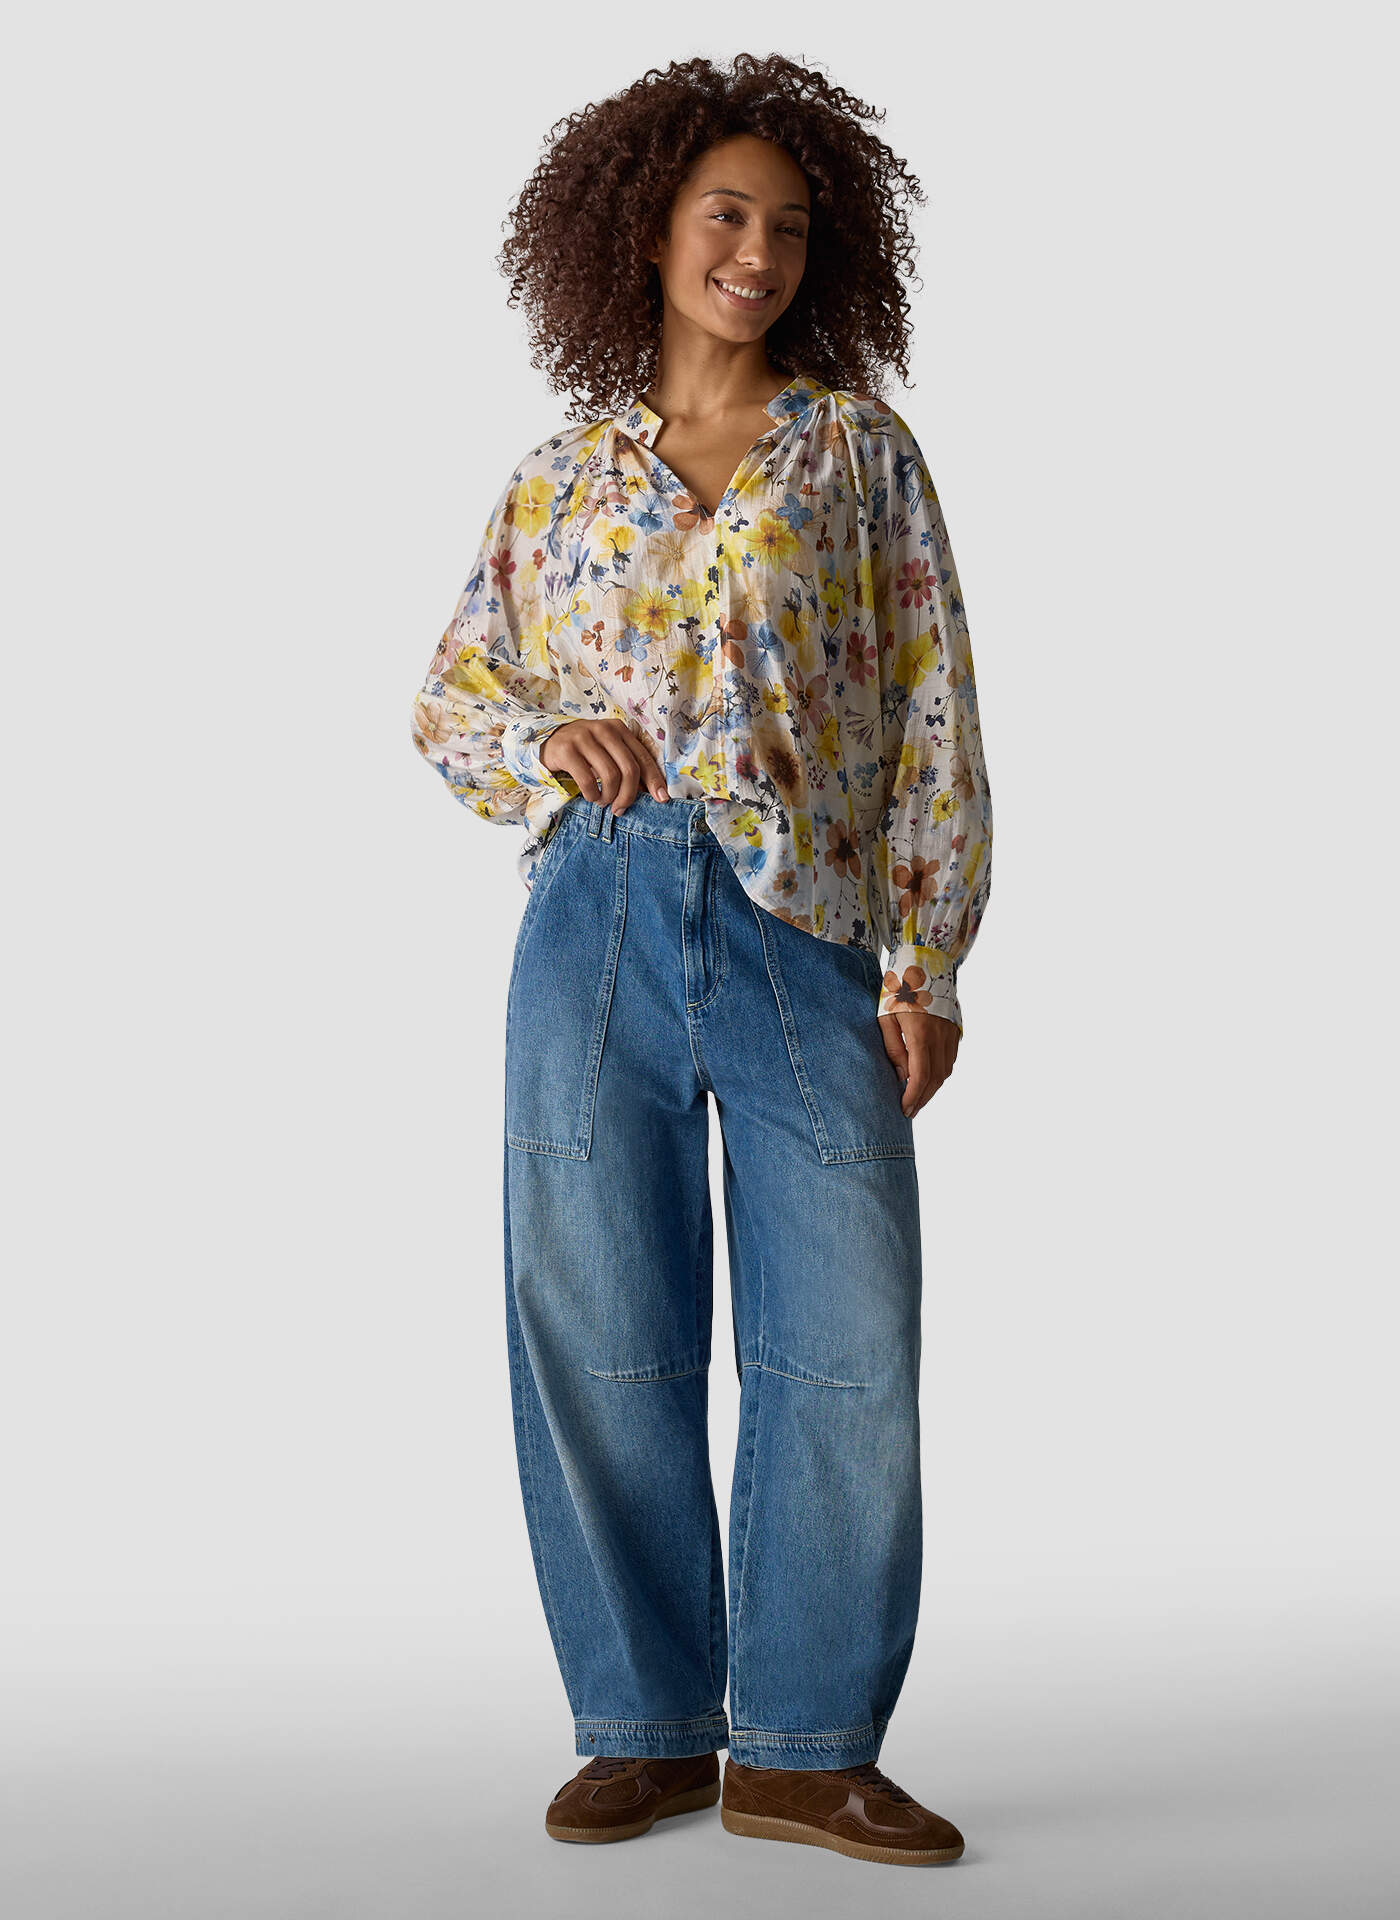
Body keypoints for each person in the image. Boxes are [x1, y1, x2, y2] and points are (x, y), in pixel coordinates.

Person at [409, 53, 992, 1870]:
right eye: (726, 215)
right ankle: (648, 1728)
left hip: (805, 924)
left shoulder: (858, 454)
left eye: (791, 227)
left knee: (849, 1338)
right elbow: (453, 698)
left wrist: (927, 957)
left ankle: (805, 1748)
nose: (758, 252)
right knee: (600, 1326)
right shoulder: (558, 479)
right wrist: (545, 740)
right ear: (647, 230)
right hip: (593, 919)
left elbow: (928, 705)